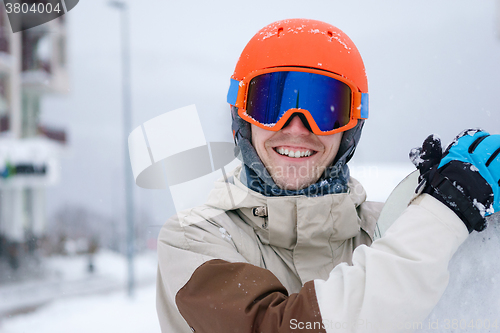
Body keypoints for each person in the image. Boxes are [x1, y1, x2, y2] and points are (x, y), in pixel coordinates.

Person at [156, 19, 500, 332]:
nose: (295, 127)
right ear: (242, 119)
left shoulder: (394, 226)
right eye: (272, 104)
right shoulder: (194, 240)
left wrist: (463, 219)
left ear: (350, 130)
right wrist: (442, 213)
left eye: (323, 108)